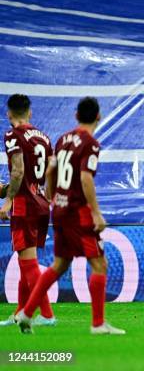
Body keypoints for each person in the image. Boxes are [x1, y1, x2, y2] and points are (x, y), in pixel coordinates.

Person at [17, 97, 125, 334]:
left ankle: (26, 313)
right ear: (99, 116)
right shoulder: (90, 143)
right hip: (78, 211)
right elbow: (86, 178)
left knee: (59, 265)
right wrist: (96, 213)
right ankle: (97, 324)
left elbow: (50, 170)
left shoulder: (63, 139)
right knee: (99, 264)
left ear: (76, 116)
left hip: (61, 210)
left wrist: (53, 196)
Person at [0, 94, 55, 327]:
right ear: (30, 113)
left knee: (28, 263)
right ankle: (20, 313)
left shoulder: (13, 135)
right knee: (26, 259)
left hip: (24, 203)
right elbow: (51, 170)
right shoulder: (43, 137)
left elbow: (18, 172)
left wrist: (8, 201)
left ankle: (47, 314)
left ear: (9, 114)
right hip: (41, 202)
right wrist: (49, 199)